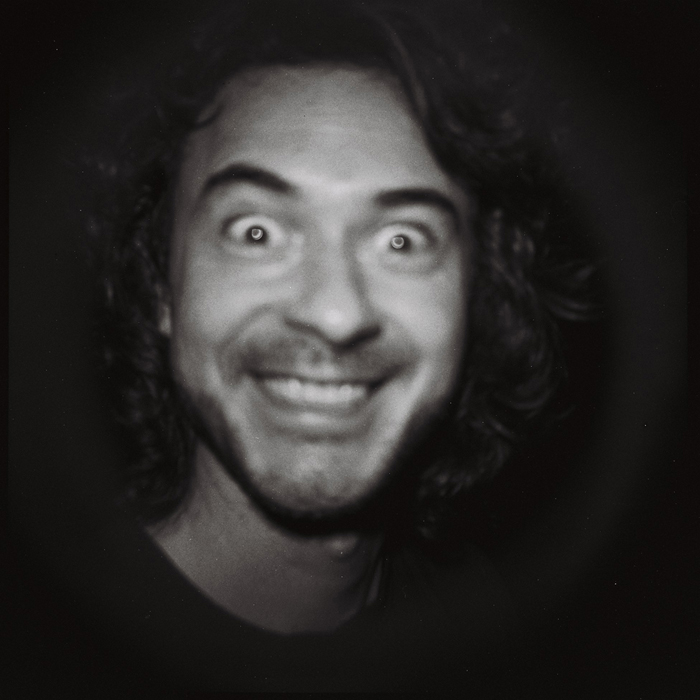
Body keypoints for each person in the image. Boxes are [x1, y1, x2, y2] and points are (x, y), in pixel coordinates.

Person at [88, 0, 595, 688]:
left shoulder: (489, 629)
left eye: (402, 241)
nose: (334, 313)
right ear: (159, 288)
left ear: (478, 304)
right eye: (256, 232)